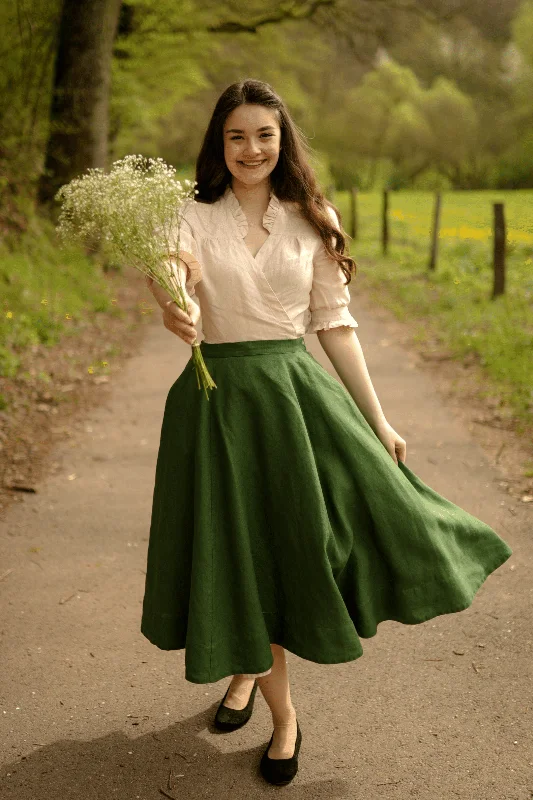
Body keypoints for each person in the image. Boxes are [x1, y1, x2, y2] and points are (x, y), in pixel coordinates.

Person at [141, 79, 512, 786]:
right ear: (218, 144)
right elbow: (170, 280)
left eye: (264, 135)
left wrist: (378, 418)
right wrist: (175, 308)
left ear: (283, 142)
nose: (251, 149)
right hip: (215, 403)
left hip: (293, 400)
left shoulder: (311, 218)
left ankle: (259, 688)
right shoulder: (185, 216)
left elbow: (334, 328)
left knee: (297, 546)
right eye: (236, 136)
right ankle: (279, 709)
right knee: (236, 552)